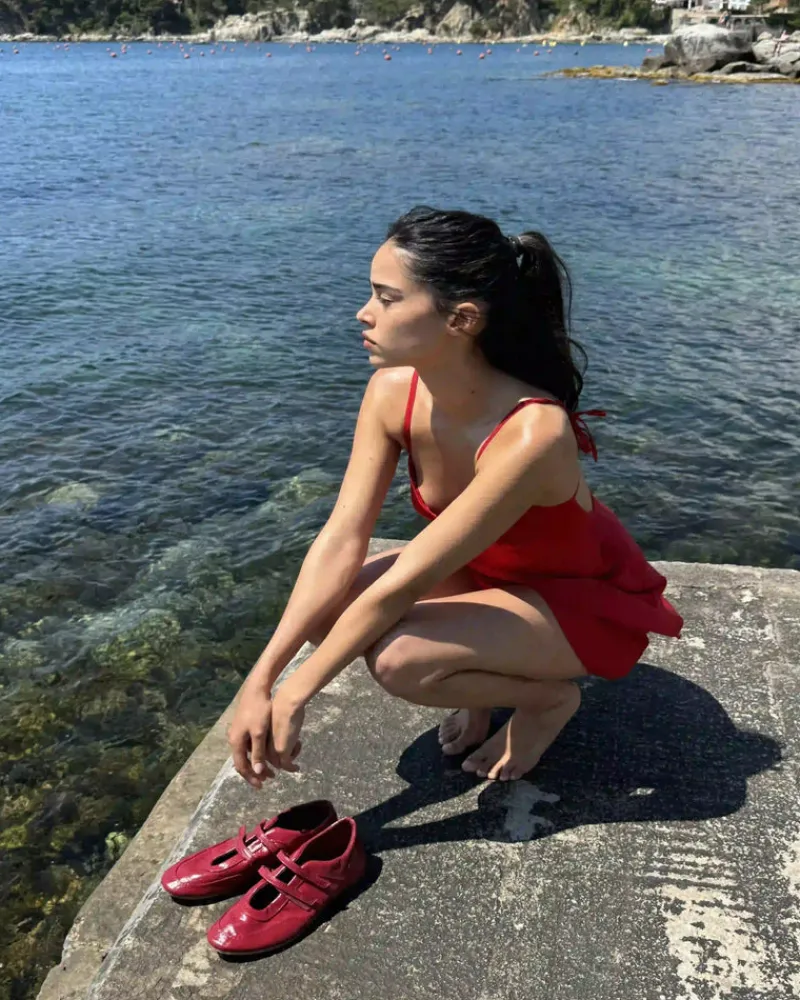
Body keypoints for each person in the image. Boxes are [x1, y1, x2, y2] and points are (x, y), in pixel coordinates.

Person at [228, 206, 684, 786]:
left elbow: (408, 580)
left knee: (400, 661)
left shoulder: (533, 432)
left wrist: (296, 693)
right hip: (490, 576)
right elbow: (341, 538)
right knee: (333, 607)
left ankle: (547, 701)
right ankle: (479, 692)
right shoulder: (391, 394)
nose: (363, 313)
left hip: (576, 602)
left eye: (387, 298)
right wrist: (261, 679)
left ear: (462, 318)